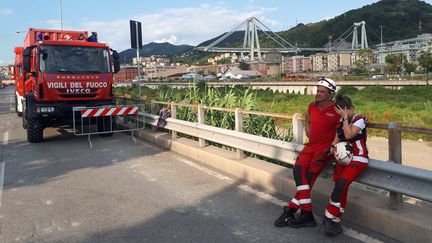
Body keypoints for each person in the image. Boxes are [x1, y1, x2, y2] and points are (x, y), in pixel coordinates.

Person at [274, 77, 340, 228]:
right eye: (318, 91)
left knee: (308, 180)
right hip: (310, 146)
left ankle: (291, 210)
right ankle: (306, 213)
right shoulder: (311, 106)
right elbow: (307, 118)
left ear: (330, 93)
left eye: (322, 91)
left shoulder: (336, 109)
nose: (319, 94)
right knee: (298, 171)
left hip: (324, 150)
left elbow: (348, 120)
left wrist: (363, 119)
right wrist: (309, 131)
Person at [321, 94, 368, 237]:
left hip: (358, 159)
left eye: (340, 111)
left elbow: (348, 135)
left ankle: (329, 216)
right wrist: (328, 150)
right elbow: (336, 141)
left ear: (348, 108)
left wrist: (346, 119)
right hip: (342, 160)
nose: (339, 115)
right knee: (340, 187)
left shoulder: (359, 120)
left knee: (341, 184)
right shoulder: (341, 122)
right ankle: (335, 220)